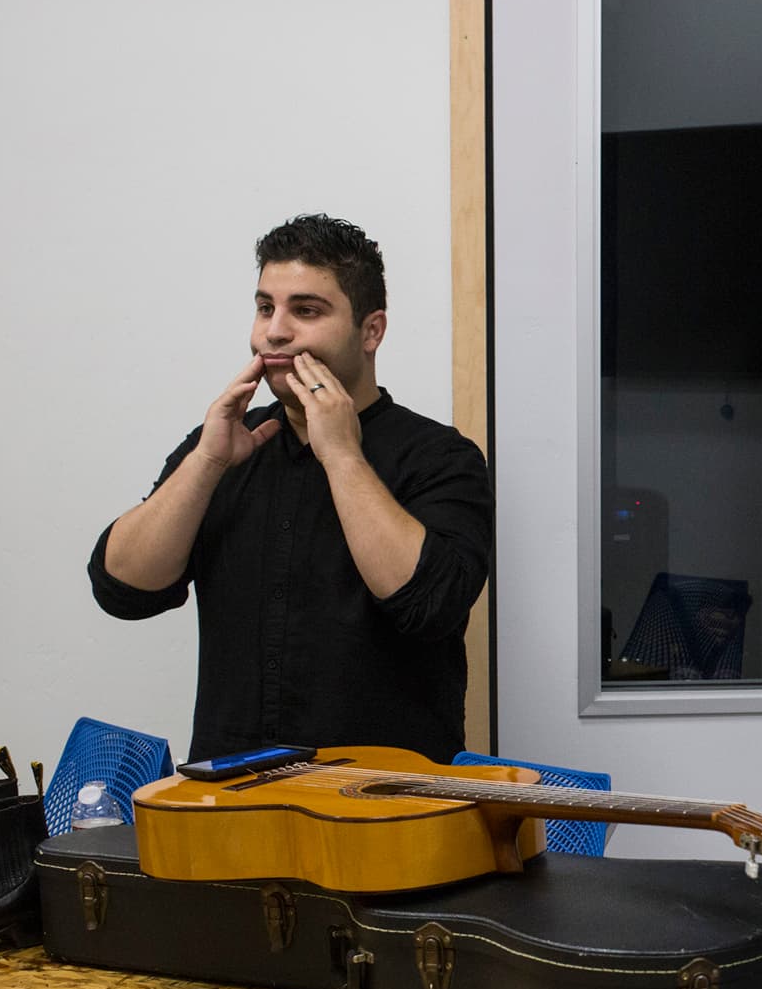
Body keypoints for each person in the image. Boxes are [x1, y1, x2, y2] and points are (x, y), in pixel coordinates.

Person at [90, 215, 493, 764]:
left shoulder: (441, 458)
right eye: (264, 308)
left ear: (371, 331)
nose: (274, 332)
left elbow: (428, 606)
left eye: (306, 310)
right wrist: (207, 461)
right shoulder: (225, 444)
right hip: (232, 808)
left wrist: (342, 454)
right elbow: (121, 590)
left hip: (385, 812)